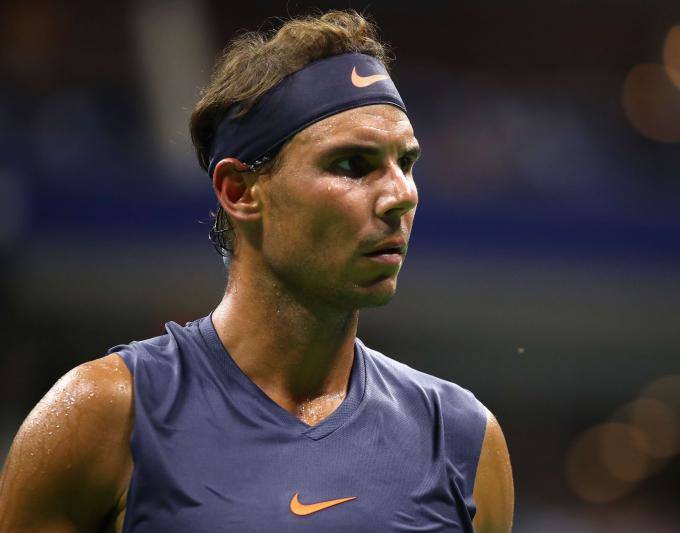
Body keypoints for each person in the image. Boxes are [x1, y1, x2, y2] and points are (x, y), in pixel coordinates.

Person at [0, 10, 513, 532]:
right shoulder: (105, 416)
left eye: (406, 163)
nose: (400, 196)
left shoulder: (462, 440)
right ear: (240, 192)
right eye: (352, 165)